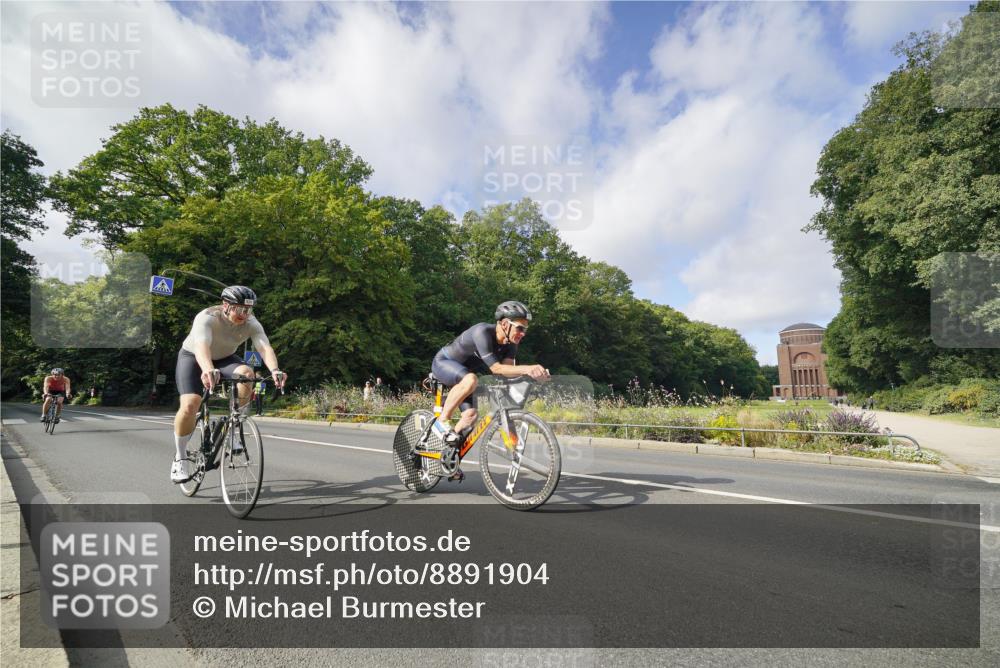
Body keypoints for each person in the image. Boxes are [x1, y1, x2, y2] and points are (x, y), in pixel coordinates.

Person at [170, 286, 287, 483]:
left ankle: (234, 428)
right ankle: (180, 458)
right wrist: (207, 369)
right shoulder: (207, 317)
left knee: (247, 374)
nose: (245, 315)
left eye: (248, 310)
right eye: (240, 309)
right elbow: (201, 346)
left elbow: (264, 347)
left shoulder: (251, 322)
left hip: (224, 358)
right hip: (194, 357)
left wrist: (275, 370)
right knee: (190, 404)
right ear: (226, 305)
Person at [429, 301, 550, 479]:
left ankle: (448, 457)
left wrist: (533, 377)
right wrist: (528, 368)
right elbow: (497, 369)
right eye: (519, 328)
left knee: (470, 416)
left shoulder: (511, 343)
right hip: (444, 363)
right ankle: (442, 421)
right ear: (504, 324)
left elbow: (507, 373)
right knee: (471, 379)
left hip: (465, 376)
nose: (522, 334)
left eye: (525, 329)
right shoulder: (482, 332)